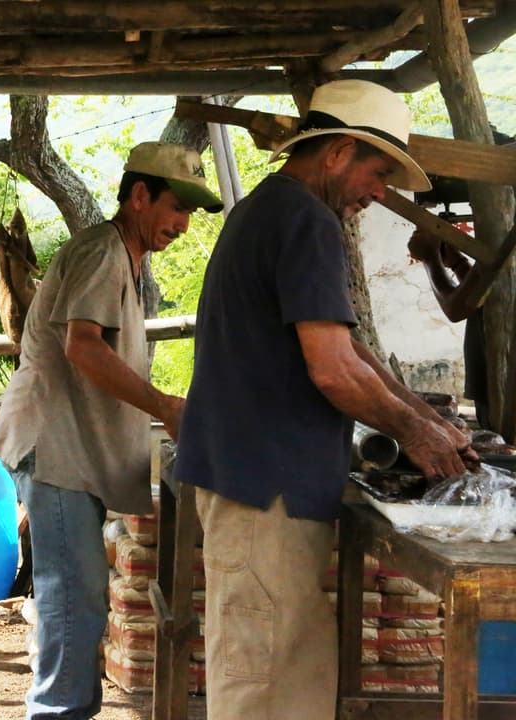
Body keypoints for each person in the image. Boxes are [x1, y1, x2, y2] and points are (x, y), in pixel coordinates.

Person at [175, 79, 475, 720]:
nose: (379, 192)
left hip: (264, 481)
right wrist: (416, 433)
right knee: (260, 680)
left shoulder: (274, 210)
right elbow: (334, 371)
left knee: (288, 672)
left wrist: (423, 416)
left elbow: (350, 349)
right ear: (337, 152)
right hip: (264, 488)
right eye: (377, 172)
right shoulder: (304, 219)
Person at [0, 142, 222, 719]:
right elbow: (82, 346)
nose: (182, 225)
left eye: (190, 215)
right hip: (56, 444)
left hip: (72, 445)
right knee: (73, 597)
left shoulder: (125, 255)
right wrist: (165, 405)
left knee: (72, 596)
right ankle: (56, 711)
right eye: (175, 208)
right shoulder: (101, 251)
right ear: (138, 196)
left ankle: (62, 706)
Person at [407, 228, 491, 429]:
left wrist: (430, 259)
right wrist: (458, 264)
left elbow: (455, 308)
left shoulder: (506, 246)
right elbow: (487, 299)